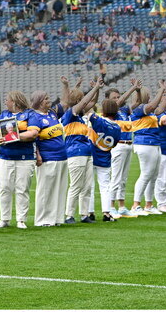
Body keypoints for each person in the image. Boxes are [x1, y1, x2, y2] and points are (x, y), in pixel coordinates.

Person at [21, 89, 67, 227]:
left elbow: (65, 102)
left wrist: (65, 85)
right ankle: (43, 219)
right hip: (48, 157)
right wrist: (38, 155)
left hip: (61, 156)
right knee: (46, 190)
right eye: (46, 99)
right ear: (40, 102)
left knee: (60, 188)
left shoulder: (52, 114)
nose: (49, 100)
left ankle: (57, 218)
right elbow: (34, 138)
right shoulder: (35, 117)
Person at [62, 77, 102, 224]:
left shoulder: (79, 116)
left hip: (86, 152)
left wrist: (97, 90)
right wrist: (95, 87)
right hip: (75, 152)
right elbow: (86, 102)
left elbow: (91, 102)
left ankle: (84, 214)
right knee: (76, 185)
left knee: (86, 186)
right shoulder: (70, 113)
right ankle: (69, 215)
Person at [0, 90, 32, 229]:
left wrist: (15, 136)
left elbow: (33, 134)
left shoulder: (29, 114)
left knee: (22, 188)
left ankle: (21, 219)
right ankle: (4, 219)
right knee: (4, 187)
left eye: (7, 100)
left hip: (25, 157)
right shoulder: (4, 115)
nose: (5, 102)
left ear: (14, 101)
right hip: (5, 156)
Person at [129, 81, 166, 216]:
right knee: (146, 174)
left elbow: (158, 109)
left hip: (153, 143)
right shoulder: (138, 108)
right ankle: (136, 205)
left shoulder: (148, 112)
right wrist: (160, 90)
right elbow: (153, 106)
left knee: (153, 175)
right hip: (145, 143)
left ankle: (149, 204)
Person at [109, 80, 140, 218]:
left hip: (128, 144)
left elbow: (138, 102)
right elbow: (117, 103)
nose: (117, 99)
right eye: (113, 97)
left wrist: (138, 90)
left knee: (123, 178)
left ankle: (121, 206)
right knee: (115, 177)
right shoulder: (111, 110)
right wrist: (133, 88)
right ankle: (110, 207)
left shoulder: (124, 110)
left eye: (118, 96)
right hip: (118, 145)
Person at [91, 96, 123, 222]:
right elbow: (114, 144)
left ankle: (90, 212)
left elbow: (89, 112)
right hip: (105, 158)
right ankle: (106, 213)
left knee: (90, 186)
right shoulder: (117, 128)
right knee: (105, 187)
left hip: (92, 155)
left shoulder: (98, 121)